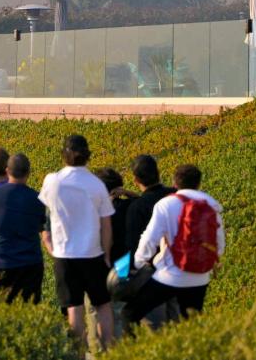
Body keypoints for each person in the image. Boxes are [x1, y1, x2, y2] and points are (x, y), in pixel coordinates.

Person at [39, 134, 116, 350]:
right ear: (87, 156)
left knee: (74, 307)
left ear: (64, 155)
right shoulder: (97, 185)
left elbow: (45, 215)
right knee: (103, 305)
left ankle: (78, 353)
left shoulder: (52, 181)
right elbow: (106, 225)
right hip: (93, 253)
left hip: (64, 255)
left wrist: (50, 245)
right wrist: (107, 254)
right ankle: (108, 351)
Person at [127, 164, 226, 325]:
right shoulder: (211, 205)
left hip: (169, 275)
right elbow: (219, 243)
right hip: (199, 277)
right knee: (191, 323)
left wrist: (138, 264)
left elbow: (150, 238)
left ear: (175, 183)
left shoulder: (166, 204)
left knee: (129, 314)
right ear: (198, 183)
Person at [0, 153, 46, 303]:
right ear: (28, 173)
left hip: (0, 262)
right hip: (30, 265)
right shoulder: (36, 198)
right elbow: (41, 227)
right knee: (29, 309)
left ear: (7, 171)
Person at [124, 155, 177, 329]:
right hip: (180, 269)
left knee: (157, 330)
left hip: (153, 275)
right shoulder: (175, 195)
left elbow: (132, 247)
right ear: (158, 172)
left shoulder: (137, 208)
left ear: (135, 179)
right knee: (181, 327)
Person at [93, 168, 135, 343]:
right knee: (119, 307)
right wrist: (129, 193)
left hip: (100, 263)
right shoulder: (130, 206)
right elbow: (147, 201)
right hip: (123, 263)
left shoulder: (96, 211)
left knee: (98, 309)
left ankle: (101, 347)